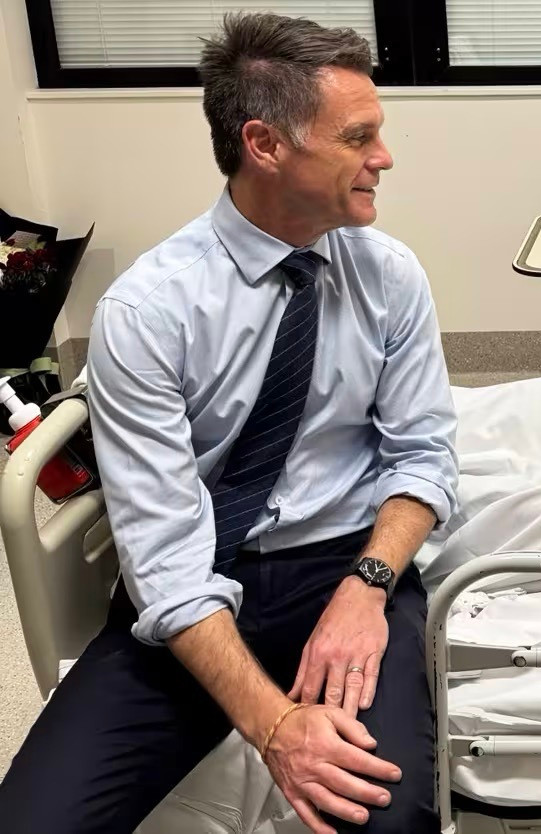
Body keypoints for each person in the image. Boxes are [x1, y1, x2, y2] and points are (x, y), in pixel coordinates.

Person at [0, 13, 455, 834]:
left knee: (388, 820)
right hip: (201, 574)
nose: (384, 157)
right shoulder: (149, 311)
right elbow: (166, 559)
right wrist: (275, 726)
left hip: (347, 565)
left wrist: (369, 584)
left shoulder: (389, 277)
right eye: (358, 137)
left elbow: (423, 457)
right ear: (265, 144)